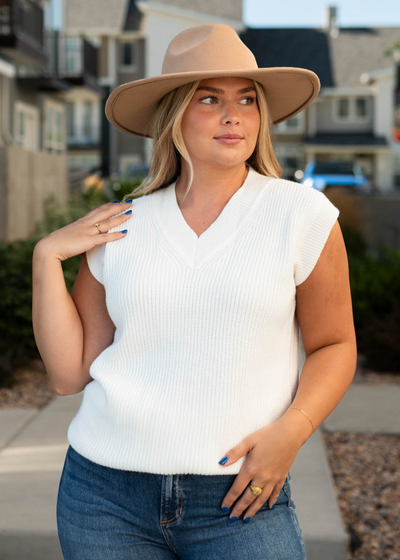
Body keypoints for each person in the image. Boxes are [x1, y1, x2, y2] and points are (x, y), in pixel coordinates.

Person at [32, 23, 357, 559]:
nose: (234, 115)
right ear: (173, 115)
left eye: (247, 100)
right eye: (210, 98)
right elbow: (69, 374)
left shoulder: (302, 216)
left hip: (241, 497)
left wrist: (292, 433)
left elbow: (335, 346)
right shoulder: (121, 225)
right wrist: (47, 258)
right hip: (104, 497)